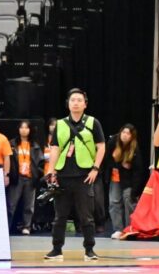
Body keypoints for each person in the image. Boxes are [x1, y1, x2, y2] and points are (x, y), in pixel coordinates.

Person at [44, 89, 105, 262]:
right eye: (73, 100)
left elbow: (101, 146)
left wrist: (95, 169)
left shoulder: (93, 122)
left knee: (86, 216)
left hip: (84, 175)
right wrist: (51, 170)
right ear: (68, 104)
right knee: (60, 216)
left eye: (79, 100)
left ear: (85, 104)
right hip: (63, 175)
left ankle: (89, 250)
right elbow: (55, 148)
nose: (76, 103)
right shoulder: (60, 124)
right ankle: (56, 249)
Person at [105, 124, 144, 239]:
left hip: (129, 180)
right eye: (123, 132)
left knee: (129, 201)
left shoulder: (134, 148)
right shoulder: (113, 142)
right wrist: (120, 164)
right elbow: (106, 159)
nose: (125, 135)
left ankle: (130, 228)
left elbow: (138, 170)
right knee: (114, 202)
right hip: (115, 177)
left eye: (128, 133)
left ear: (132, 136)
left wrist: (135, 189)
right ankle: (118, 229)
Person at [8, 120, 43, 235]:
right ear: (18, 129)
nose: (24, 130)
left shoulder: (35, 145)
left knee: (29, 205)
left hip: (30, 178)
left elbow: (40, 162)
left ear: (30, 130)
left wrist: (37, 174)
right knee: (11, 204)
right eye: (21, 127)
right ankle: (7, 226)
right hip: (16, 177)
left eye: (26, 128)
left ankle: (27, 226)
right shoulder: (12, 144)